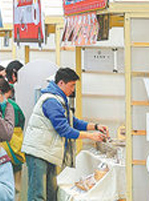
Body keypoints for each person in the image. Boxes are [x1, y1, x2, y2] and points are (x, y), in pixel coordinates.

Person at [22, 68, 108, 201]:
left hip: (47, 152)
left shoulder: (60, 100)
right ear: (61, 83)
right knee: (37, 194)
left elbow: (73, 122)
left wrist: (95, 127)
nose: (73, 89)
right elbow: (64, 129)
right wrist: (91, 136)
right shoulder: (51, 101)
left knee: (51, 193)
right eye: (71, 85)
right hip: (39, 152)